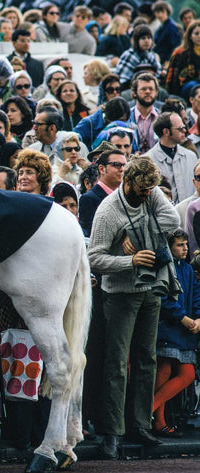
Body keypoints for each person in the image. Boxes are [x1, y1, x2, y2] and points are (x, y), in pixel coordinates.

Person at [87, 156, 179, 460]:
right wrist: (130, 260)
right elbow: (94, 258)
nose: (147, 195)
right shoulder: (108, 211)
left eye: (150, 191)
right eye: (141, 191)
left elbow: (174, 222)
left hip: (151, 288)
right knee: (116, 363)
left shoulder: (151, 193)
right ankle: (112, 431)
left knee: (146, 360)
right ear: (127, 182)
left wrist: (138, 230)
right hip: (121, 293)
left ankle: (140, 425)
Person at [152, 229, 200, 438]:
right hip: (169, 327)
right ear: (170, 247)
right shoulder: (165, 266)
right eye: (180, 245)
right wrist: (182, 317)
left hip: (185, 330)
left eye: (185, 245)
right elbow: (162, 298)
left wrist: (198, 318)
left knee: (187, 374)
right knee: (163, 371)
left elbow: (197, 295)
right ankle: (159, 421)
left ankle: (150, 410)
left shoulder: (188, 270)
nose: (185, 248)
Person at [147, 112, 197, 203]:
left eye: (184, 127)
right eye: (180, 129)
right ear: (166, 131)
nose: (185, 131)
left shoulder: (191, 157)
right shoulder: (148, 161)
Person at [79, 146, 128, 237]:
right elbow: (89, 235)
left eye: (124, 165)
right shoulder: (89, 199)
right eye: (116, 165)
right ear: (102, 169)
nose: (122, 169)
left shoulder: (126, 196)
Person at [165, 20, 200, 101]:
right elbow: (171, 78)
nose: (199, 36)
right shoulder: (180, 53)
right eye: (196, 33)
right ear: (190, 36)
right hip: (186, 89)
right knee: (193, 86)